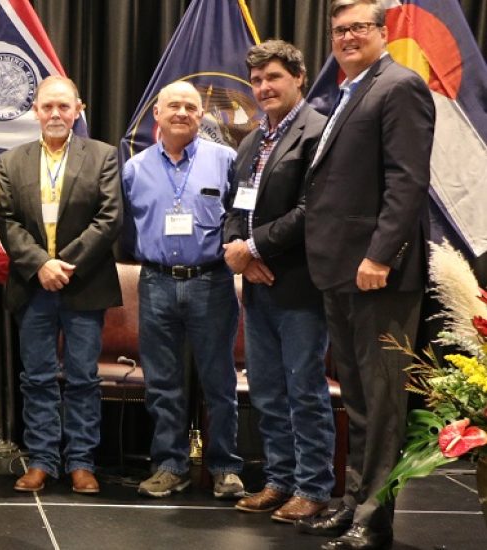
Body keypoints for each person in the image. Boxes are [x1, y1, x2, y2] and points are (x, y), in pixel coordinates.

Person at [299, 2, 434, 548]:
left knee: (382, 405)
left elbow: (408, 181)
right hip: (340, 272)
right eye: (338, 30)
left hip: (379, 275)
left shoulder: (399, 86)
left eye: (358, 28)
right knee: (356, 399)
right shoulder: (350, 90)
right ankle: (353, 499)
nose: (347, 37)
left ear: (383, 32)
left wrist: (381, 254)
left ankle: (374, 519)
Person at [222, 40, 334, 523]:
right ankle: (280, 479)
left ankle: (313, 487)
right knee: (267, 390)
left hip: (300, 286)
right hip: (258, 286)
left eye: (273, 78)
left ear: (298, 78)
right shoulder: (252, 140)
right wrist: (236, 253)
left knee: (304, 390)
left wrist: (257, 248)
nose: (264, 87)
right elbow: (234, 208)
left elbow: (316, 211)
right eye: (257, 80)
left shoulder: (318, 132)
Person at [0, 77, 123, 495]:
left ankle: (82, 462)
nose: (55, 114)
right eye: (47, 107)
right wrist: (41, 264)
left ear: (78, 109)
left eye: (63, 107)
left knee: (84, 378)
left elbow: (109, 219)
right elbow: (7, 221)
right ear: (35, 110)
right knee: (36, 378)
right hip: (33, 285)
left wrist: (64, 265)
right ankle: (42, 460)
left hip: (83, 283)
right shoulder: (11, 161)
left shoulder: (103, 156)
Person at [122, 80, 245, 500]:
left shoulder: (226, 159)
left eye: (190, 107)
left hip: (211, 282)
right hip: (155, 282)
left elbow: (240, 216)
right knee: (162, 383)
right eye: (172, 106)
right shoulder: (134, 168)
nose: (181, 113)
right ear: (156, 114)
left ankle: (225, 467)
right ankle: (170, 466)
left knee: (219, 381)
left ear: (200, 115)